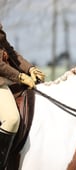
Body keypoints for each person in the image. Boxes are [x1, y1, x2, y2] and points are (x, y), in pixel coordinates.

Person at [0, 23, 45, 169]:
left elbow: (9, 51)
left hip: (6, 78)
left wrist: (30, 68)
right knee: (12, 119)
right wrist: (19, 76)